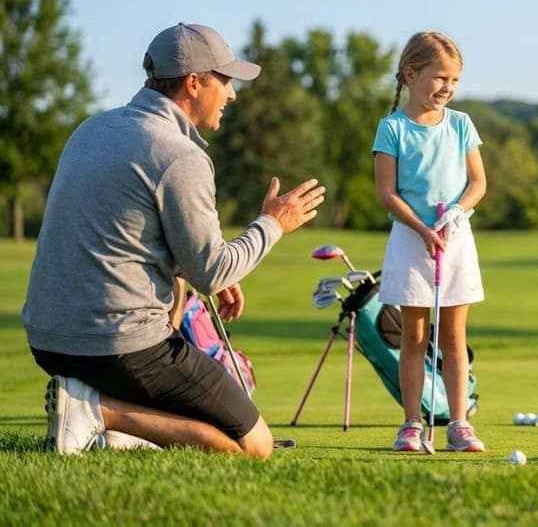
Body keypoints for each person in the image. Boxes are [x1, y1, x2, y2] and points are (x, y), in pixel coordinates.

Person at [22, 23, 325, 458]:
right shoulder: (181, 156)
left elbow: (125, 233)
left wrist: (189, 266)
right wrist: (273, 223)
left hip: (49, 341)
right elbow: (214, 271)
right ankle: (99, 410)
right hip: (116, 345)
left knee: (179, 293)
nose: (233, 94)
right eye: (225, 81)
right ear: (194, 82)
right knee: (253, 445)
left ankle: (115, 428)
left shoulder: (90, 129)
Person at [372, 31, 487, 453]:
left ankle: (459, 424)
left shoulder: (460, 124)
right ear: (410, 74)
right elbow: (387, 192)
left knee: (454, 338)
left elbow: (478, 182)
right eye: (439, 78)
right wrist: (421, 229)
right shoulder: (392, 128)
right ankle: (411, 424)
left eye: (454, 81)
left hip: (455, 237)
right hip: (410, 238)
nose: (447, 88)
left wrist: (456, 213)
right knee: (414, 337)